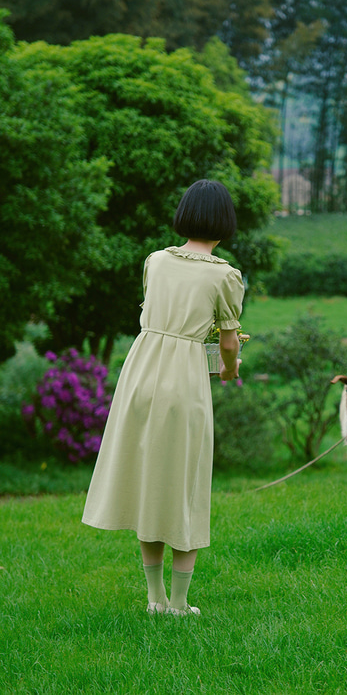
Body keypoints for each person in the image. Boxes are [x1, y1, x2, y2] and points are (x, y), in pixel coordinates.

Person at [82, 179, 244, 617]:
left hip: (139, 373)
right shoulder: (224, 275)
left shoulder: (155, 261)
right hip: (182, 381)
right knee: (183, 484)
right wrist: (229, 369)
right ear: (225, 223)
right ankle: (178, 602)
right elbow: (228, 343)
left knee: (151, 481)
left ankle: (153, 599)